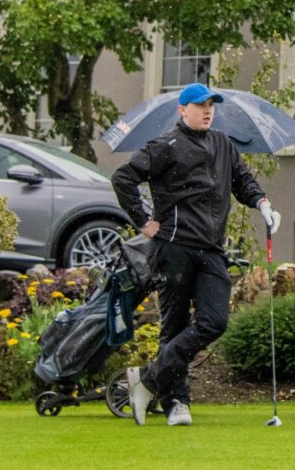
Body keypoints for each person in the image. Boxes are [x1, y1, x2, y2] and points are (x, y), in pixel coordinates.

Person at [116, 82, 280, 427]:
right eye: (200, 105)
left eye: (211, 106)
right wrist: (144, 220)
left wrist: (262, 203)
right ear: (183, 110)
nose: (208, 111)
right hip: (173, 247)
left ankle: (147, 380)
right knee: (174, 325)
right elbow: (124, 178)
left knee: (214, 321)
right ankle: (177, 402)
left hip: (211, 249)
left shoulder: (222, 144)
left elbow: (243, 181)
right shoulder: (165, 145)